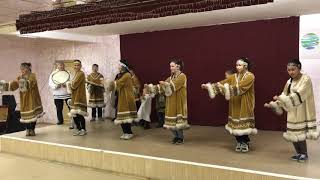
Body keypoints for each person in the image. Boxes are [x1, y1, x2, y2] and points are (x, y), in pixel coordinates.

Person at [264, 58, 319, 162]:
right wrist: (275, 104)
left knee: (300, 133)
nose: (291, 72)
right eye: (288, 70)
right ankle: (298, 153)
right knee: (293, 133)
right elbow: (284, 94)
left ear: (299, 68)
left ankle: (304, 154)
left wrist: (282, 99)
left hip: (302, 110)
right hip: (292, 111)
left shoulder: (306, 79)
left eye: (293, 69)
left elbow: (300, 94)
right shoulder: (289, 81)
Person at [201, 57, 256, 152]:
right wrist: (209, 86)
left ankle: (245, 142)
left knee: (243, 125)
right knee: (235, 125)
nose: (237, 67)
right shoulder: (233, 76)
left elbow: (241, 87)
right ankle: (239, 142)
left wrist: (226, 88)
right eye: (236, 65)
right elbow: (222, 83)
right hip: (234, 102)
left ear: (245, 66)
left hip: (244, 102)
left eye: (240, 65)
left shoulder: (250, 76)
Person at [146, 59, 189, 145]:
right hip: (170, 102)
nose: (170, 68)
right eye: (170, 66)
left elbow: (173, 86)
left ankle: (180, 137)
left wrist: (166, 85)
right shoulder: (170, 77)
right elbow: (162, 86)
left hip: (178, 102)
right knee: (171, 122)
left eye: (172, 66)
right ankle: (175, 136)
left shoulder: (182, 76)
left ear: (178, 66)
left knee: (178, 122)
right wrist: (151, 88)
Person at [0, 62, 44, 136]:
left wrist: (24, 82)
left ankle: (32, 129)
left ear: (27, 68)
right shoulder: (20, 77)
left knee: (33, 116)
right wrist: (4, 85)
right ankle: (27, 129)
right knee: (25, 117)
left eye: (23, 69)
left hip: (32, 99)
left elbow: (30, 83)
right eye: (21, 69)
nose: (22, 70)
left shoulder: (32, 76)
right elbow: (14, 85)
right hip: (24, 100)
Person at [105, 59, 137, 140]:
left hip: (126, 98)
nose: (118, 67)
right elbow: (115, 84)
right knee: (122, 117)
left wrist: (108, 83)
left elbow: (118, 83)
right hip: (122, 97)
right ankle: (125, 132)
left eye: (119, 66)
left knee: (125, 117)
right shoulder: (121, 75)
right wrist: (108, 85)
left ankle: (129, 132)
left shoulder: (127, 75)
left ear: (123, 67)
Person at [66, 60, 88, 136]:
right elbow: (73, 84)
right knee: (74, 114)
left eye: (77, 65)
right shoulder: (76, 74)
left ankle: (83, 129)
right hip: (74, 97)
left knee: (80, 114)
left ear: (80, 66)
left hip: (80, 97)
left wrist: (69, 83)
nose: (76, 66)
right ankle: (78, 129)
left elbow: (74, 84)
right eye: (75, 65)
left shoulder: (81, 73)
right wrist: (70, 83)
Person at [49, 61, 72, 126]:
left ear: (64, 66)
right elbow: (50, 83)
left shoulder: (68, 73)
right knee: (59, 108)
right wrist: (56, 86)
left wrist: (67, 85)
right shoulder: (53, 74)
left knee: (71, 107)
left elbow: (72, 81)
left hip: (67, 93)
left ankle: (73, 120)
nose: (61, 66)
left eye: (62, 65)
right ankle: (60, 120)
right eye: (60, 65)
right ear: (57, 66)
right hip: (57, 94)